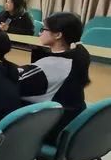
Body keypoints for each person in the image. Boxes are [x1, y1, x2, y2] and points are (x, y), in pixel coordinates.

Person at [18, 12, 90, 144]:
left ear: (58, 35)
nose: (40, 33)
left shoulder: (52, 65)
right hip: (71, 117)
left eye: (43, 29)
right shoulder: (81, 53)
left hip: (52, 127)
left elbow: (14, 82)